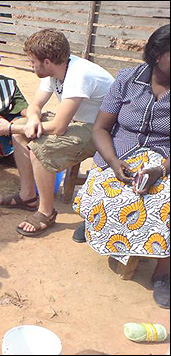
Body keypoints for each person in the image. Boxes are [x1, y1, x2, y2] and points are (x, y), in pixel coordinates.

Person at [73, 24, 170, 308]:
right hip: (120, 152)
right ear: (155, 55)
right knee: (106, 186)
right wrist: (114, 163)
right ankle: (95, 223)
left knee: (164, 202)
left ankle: (163, 273)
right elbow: (101, 128)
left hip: (165, 160)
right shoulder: (127, 79)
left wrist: (162, 170)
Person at [0, 29, 115, 237]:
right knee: (23, 129)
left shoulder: (78, 75)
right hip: (78, 122)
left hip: (100, 130)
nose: (31, 66)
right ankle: (28, 195)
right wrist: (32, 120)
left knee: (40, 147)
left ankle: (46, 212)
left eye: (32, 62)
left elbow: (59, 127)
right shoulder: (57, 69)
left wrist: (11, 127)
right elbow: (35, 104)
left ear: (47, 61)